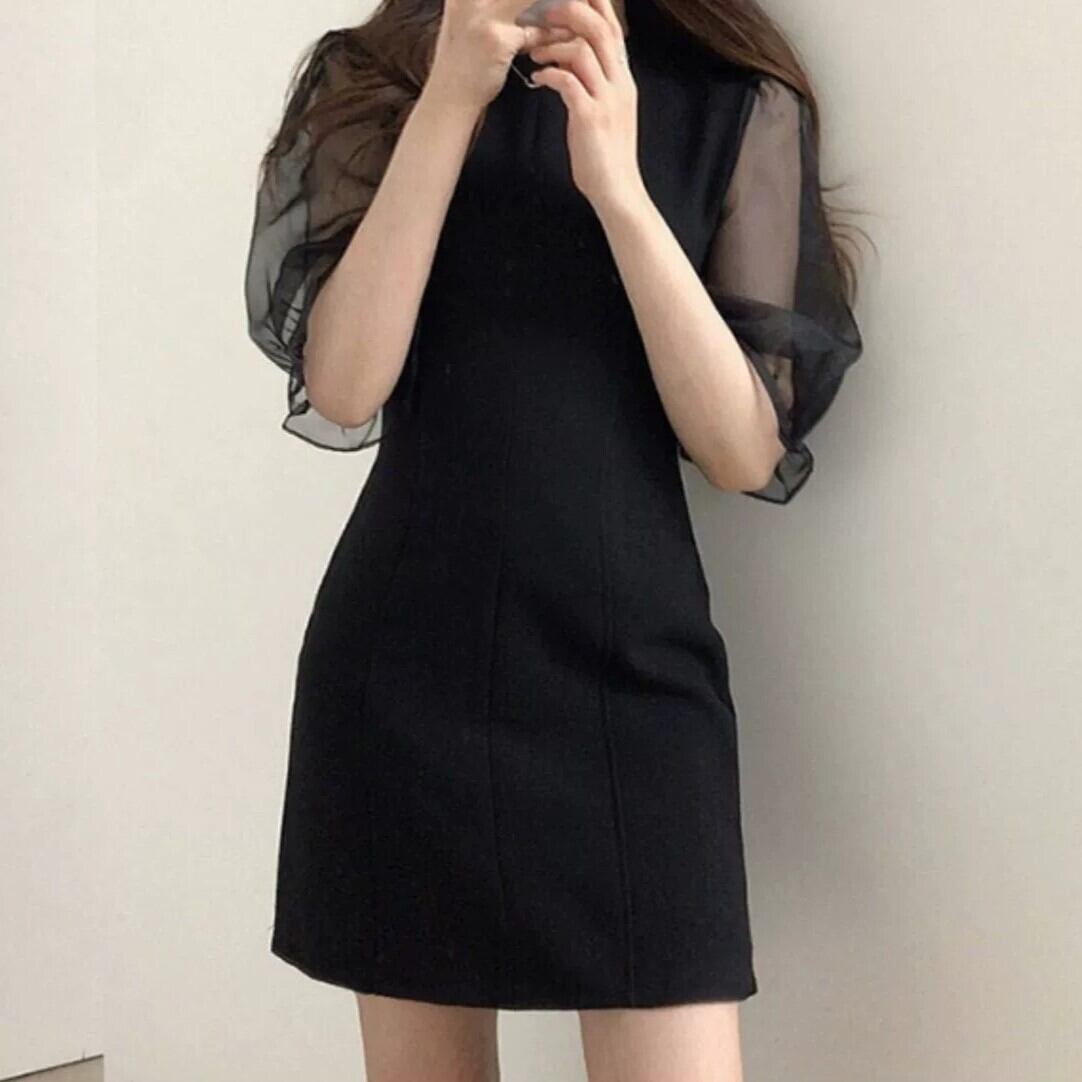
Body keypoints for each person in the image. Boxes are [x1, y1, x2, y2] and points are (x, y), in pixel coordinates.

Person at [243, 0, 864, 1077]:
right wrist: (449, 101)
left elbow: (740, 450)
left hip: (635, 675)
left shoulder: (731, 92)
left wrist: (618, 187)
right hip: (405, 674)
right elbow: (344, 385)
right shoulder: (377, 73)